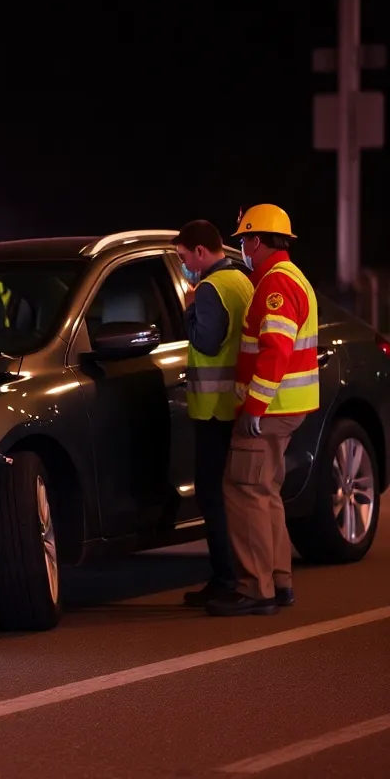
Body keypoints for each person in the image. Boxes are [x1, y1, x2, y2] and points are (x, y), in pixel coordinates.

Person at [207, 204, 320, 617]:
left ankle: (257, 588)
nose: (241, 248)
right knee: (265, 491)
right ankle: (279, 580)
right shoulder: (291, 278)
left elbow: (275, 350)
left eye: (243, 240)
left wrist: (253, 406)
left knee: (244, 491)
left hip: (268, 411)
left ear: (257, 240)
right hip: (285, 408)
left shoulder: (275, 285)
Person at [172, 219, 254, 607]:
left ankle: (225, 578)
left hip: (213, 408)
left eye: (184, 257)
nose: (184, 265)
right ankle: (241, 576)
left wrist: (188, 309)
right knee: (236, 494)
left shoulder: (208, 288)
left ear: (200, 252)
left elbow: (206, 342)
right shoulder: (241, 280)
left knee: (211, 494)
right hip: (235, 401)